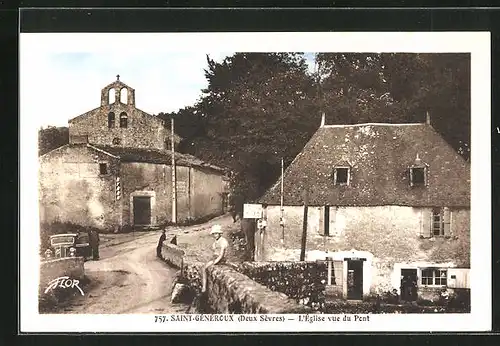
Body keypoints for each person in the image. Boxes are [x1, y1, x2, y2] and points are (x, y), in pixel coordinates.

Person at [201, 224, 229, 293]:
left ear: (220, 234)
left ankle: (204, 287)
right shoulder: (215, 242)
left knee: (204, 268)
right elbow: (214, 252)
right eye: (214, 234)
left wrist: (216, 261)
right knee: (203, 267)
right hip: (215, 257)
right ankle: (204, 285)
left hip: (220, 259)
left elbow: (221, 254)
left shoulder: (223, 241)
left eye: (216, 233)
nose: (215, 235)